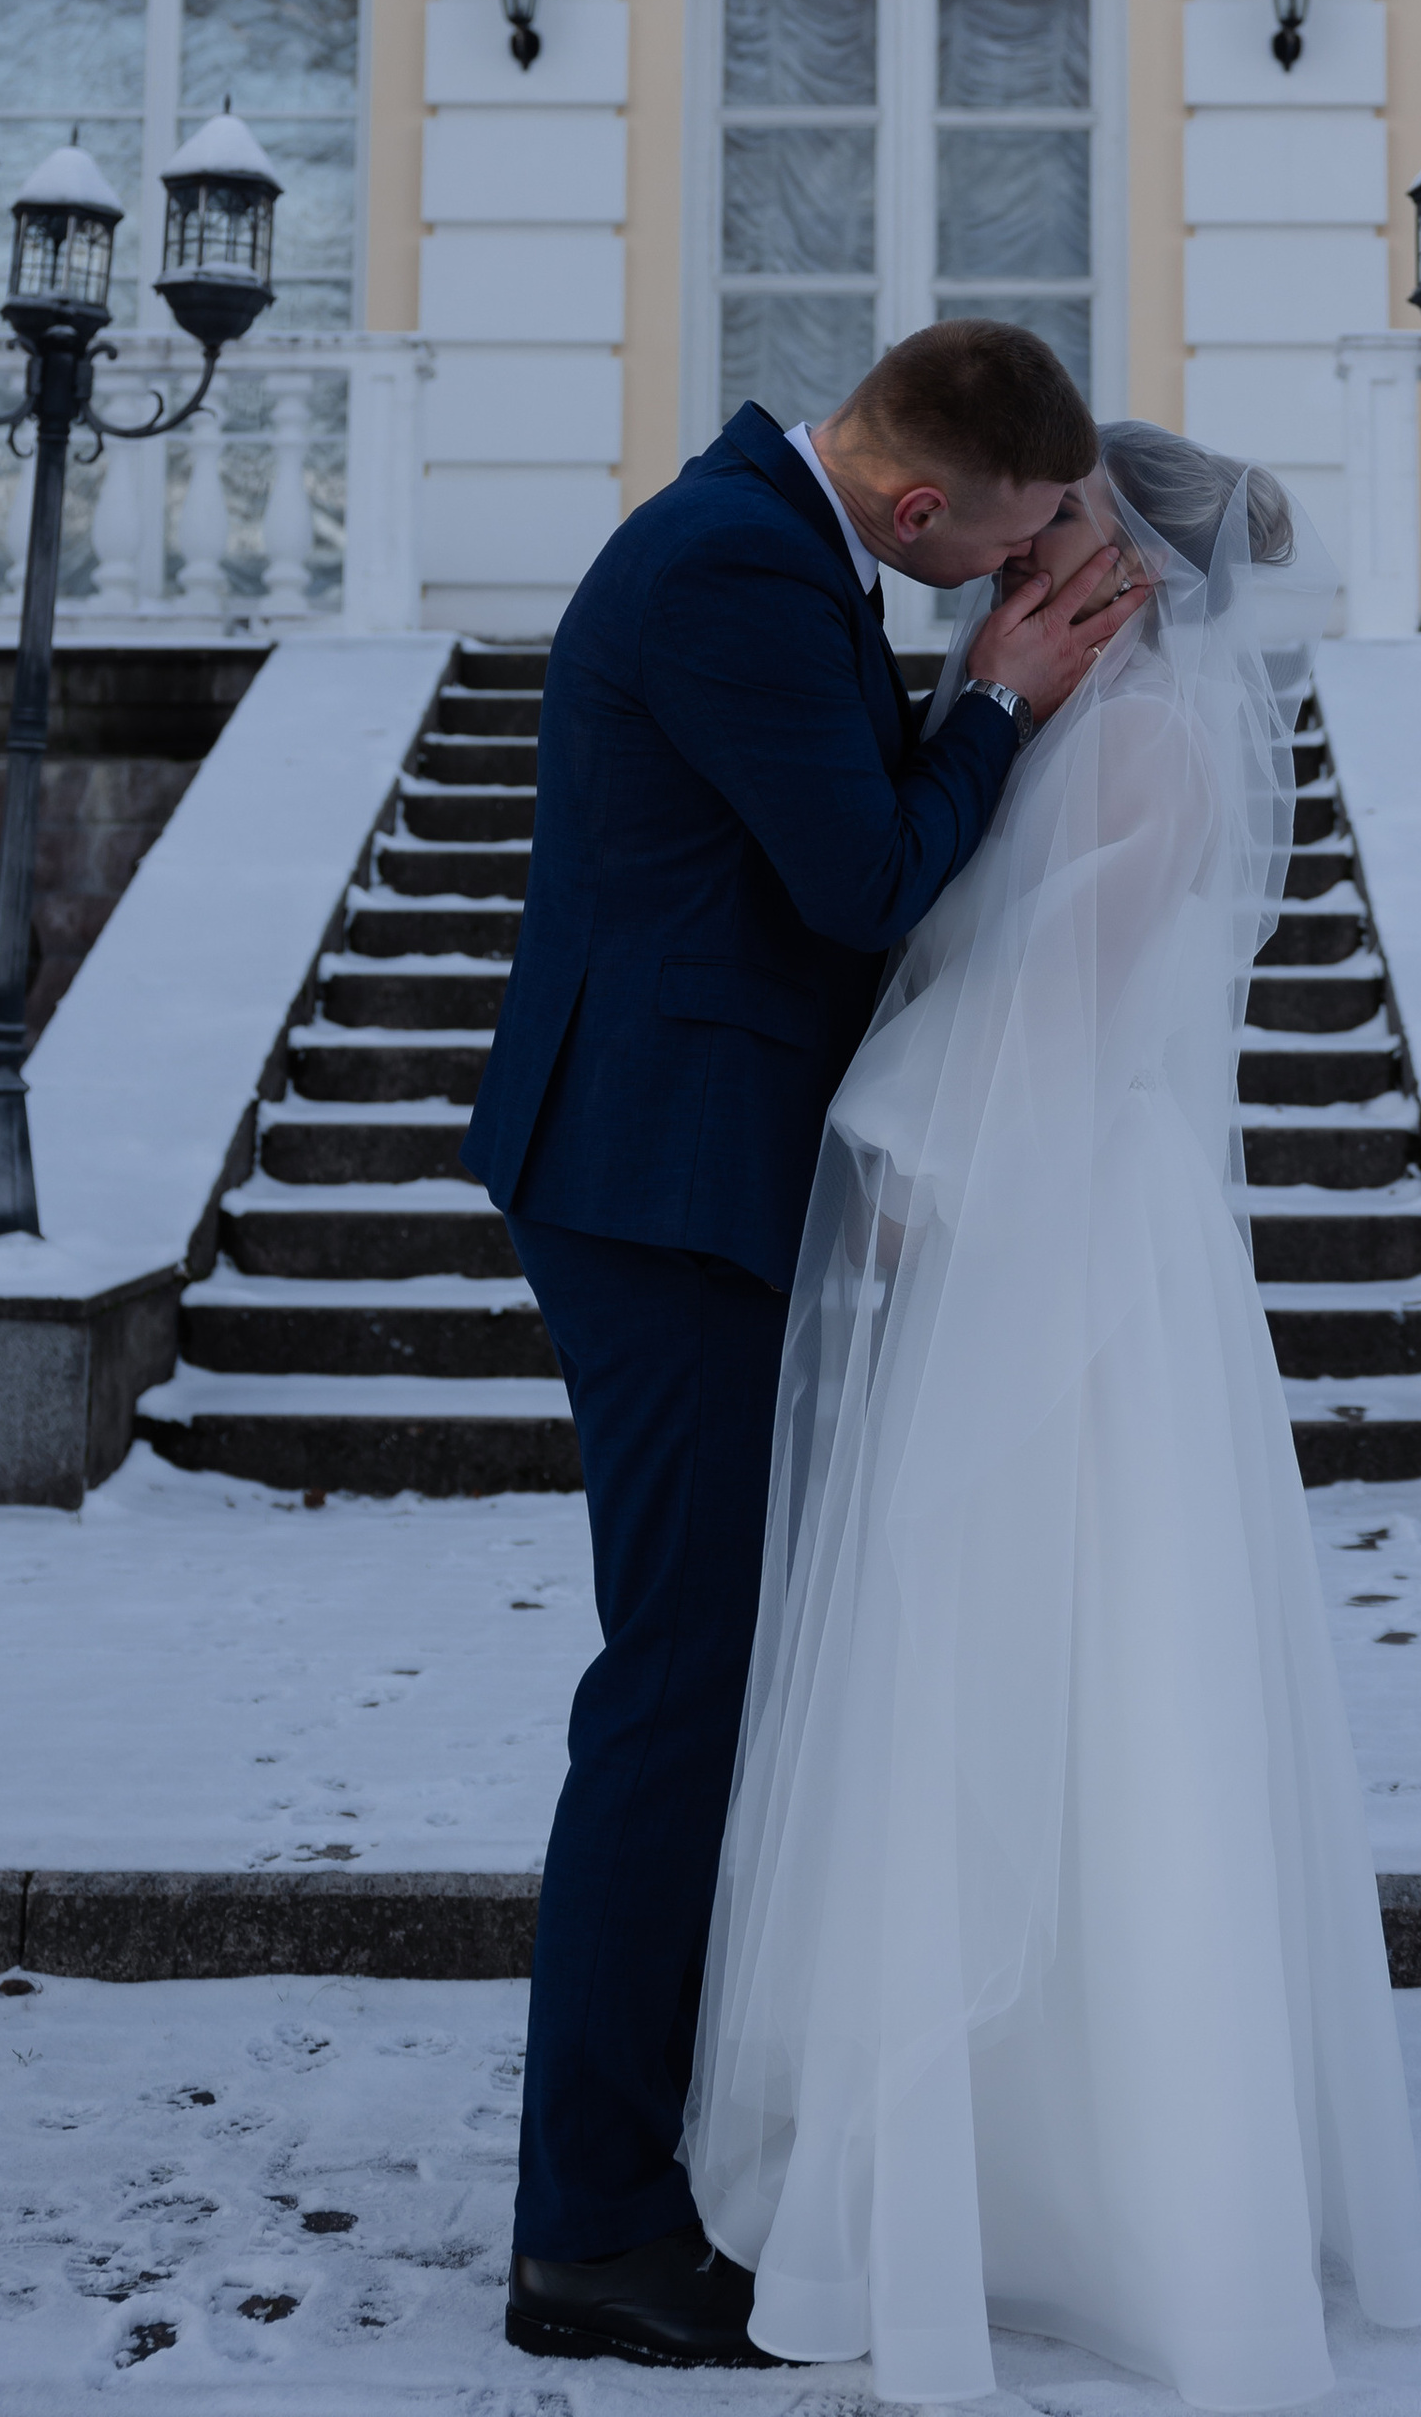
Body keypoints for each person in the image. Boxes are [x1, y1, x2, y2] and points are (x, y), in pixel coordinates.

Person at [686, 426, 1421, 2406]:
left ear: (1140, 578)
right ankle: (1010, 2157)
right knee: (1012, 1677)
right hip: (1053, 1226)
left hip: (1060, 1250)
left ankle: (1105, 2184)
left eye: (1071, 540)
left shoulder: (1139, 752)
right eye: (1033, 538)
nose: (1032, 567)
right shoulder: (1070, 731)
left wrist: (891, 1163)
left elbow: (1051, 1026)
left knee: (1072, 1682)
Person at [461, 319, 1146, 2367]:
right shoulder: (732, 564)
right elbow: (856, 880)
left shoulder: (774, 537)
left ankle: (645, 2155)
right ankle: (585, 2232)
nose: (1018, 585)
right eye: (1012, 546)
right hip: (659, 1180)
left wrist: (968, 690)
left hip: (691, 1166)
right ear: (921, 501)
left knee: (711, 1683)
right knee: (674, 1694)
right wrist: (1008, 706)